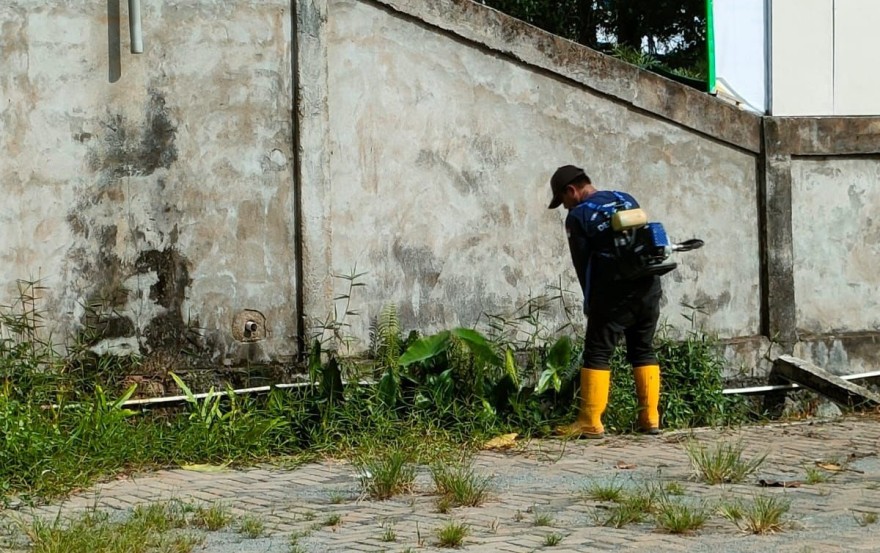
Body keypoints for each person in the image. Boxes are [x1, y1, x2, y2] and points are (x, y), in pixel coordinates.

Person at [547, 165, 662, 438]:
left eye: (563, 200)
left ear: (571, 191)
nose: (565, 207)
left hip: (613, 294)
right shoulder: (625, 198)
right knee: (643, 349)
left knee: (598, 353)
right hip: (648, 286)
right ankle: (650, 419)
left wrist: (591, 301)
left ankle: (590, 421)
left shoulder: (579, 215)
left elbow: (583, 263)